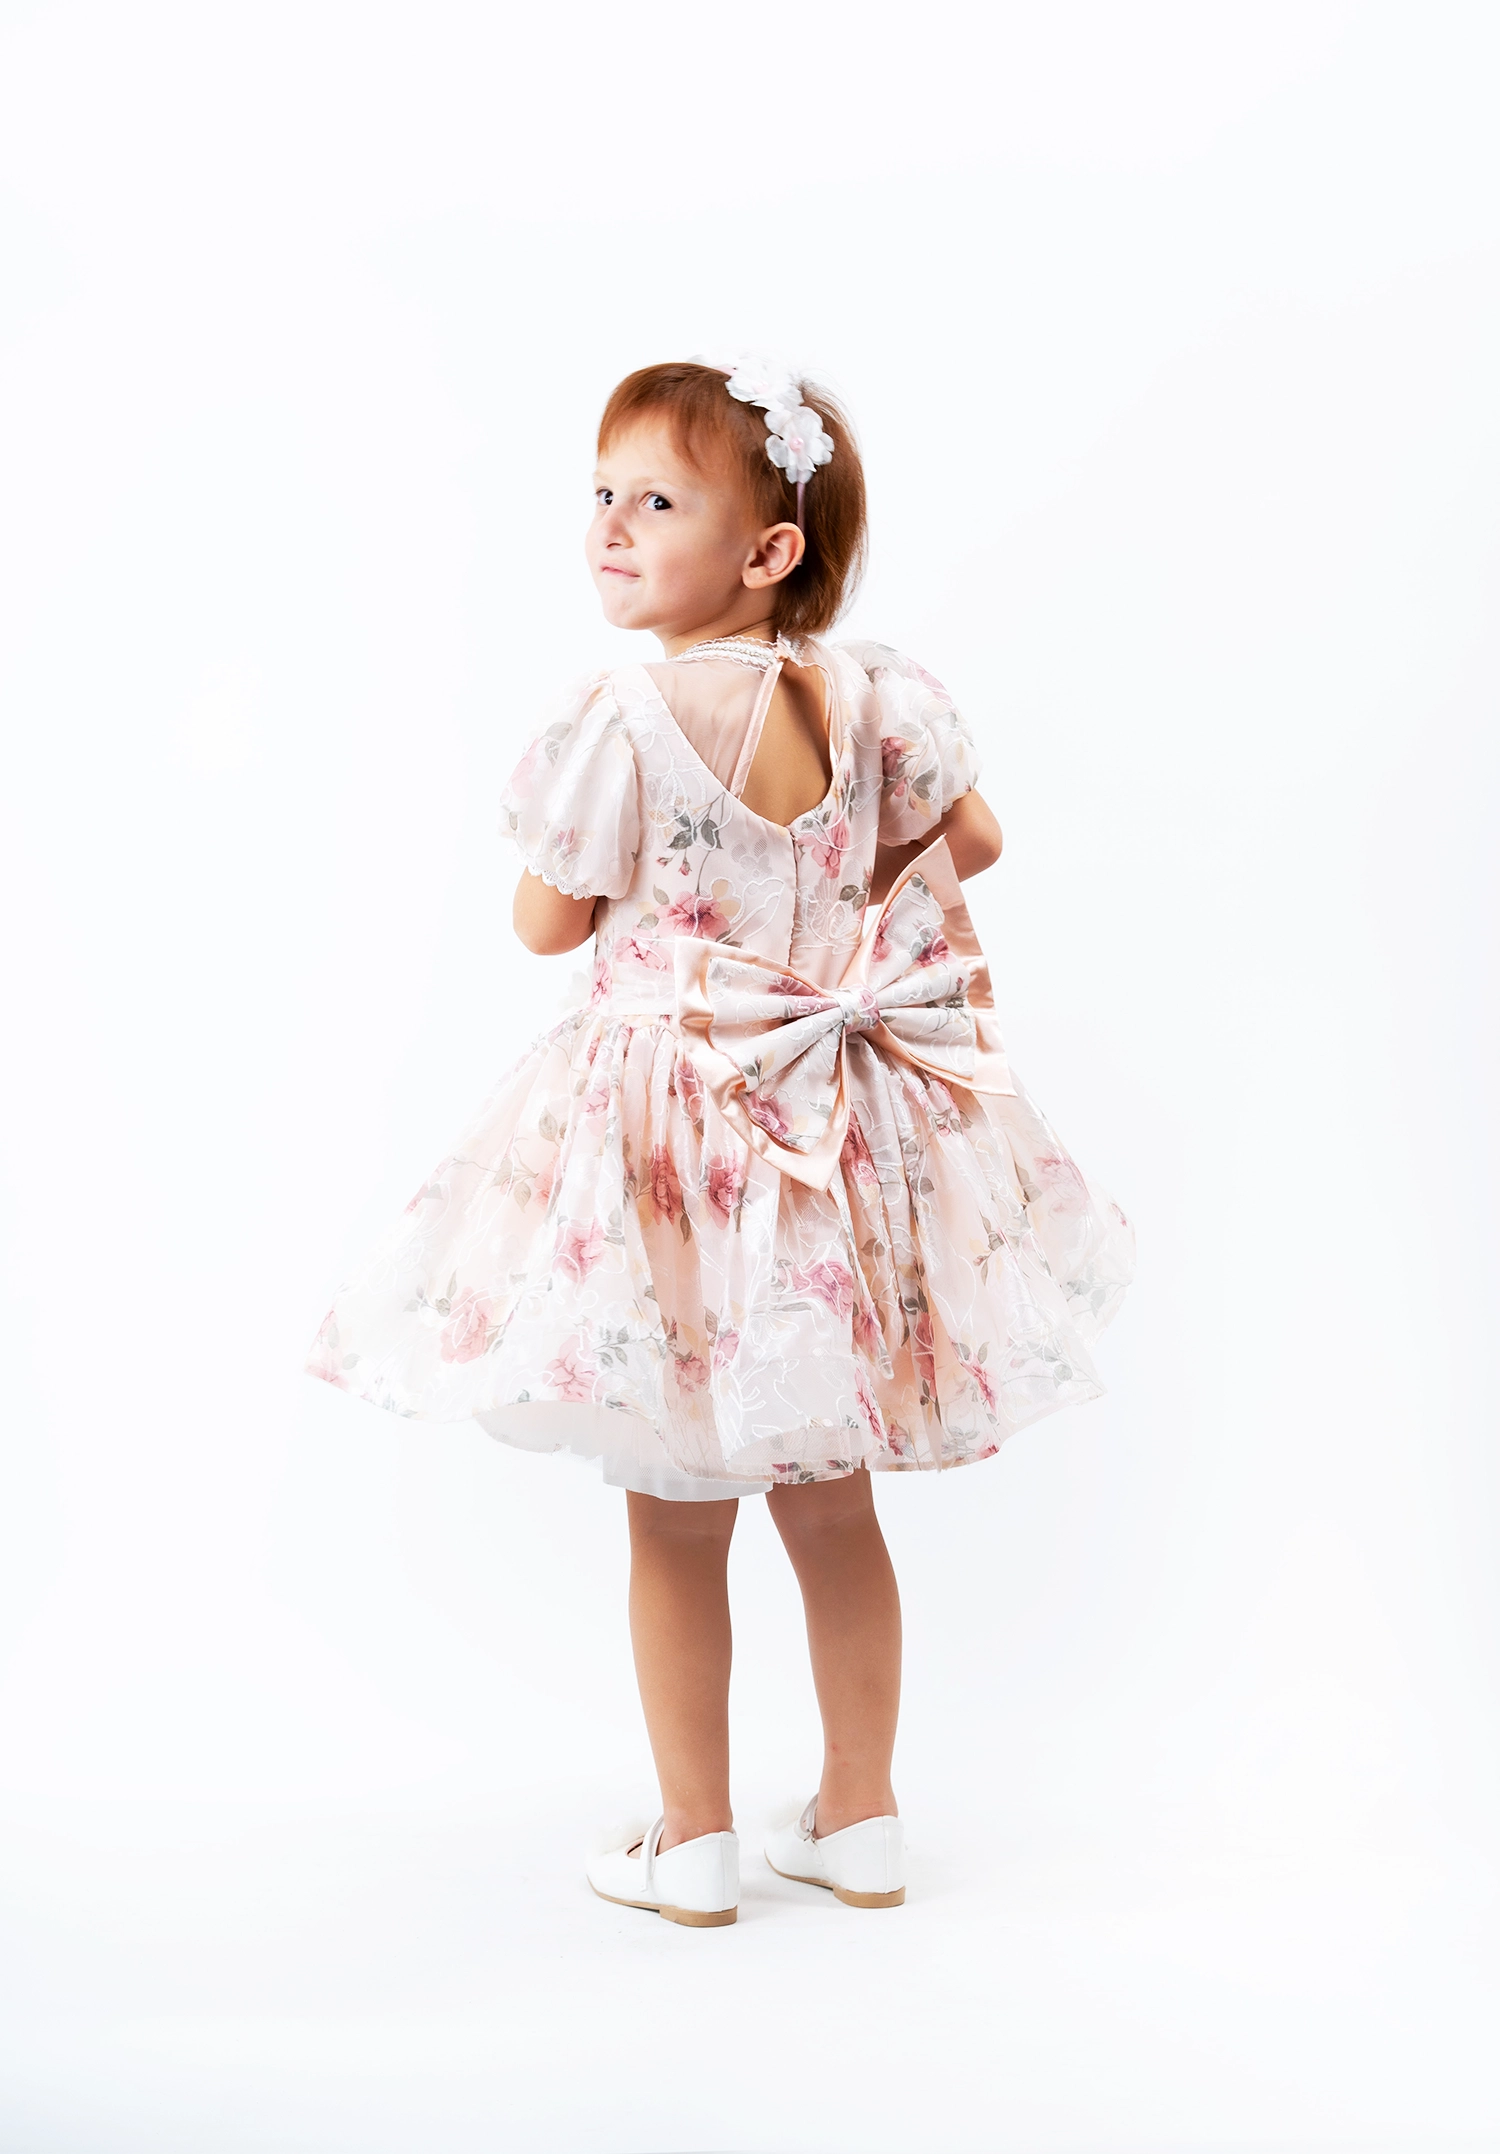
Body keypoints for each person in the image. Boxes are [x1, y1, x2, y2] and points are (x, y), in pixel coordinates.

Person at [305, 357, 1134, 1928]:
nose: (611, 526)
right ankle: (862, 1816)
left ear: (767, 550)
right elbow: (971, 839)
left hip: (672, 1152)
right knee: (832, 1501)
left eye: (656, 501)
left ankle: (692, 1837)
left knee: (676, 1520)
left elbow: (548, 923)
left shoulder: (621, 714)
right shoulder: (870, 695)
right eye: (601, 495)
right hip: (826, 1142)